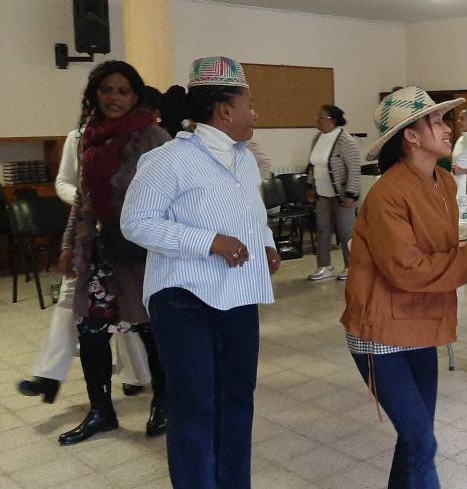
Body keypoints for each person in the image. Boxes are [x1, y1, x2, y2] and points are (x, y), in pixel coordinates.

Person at [121, 56, 281, 489]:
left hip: (239, 295)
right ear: (225, 110)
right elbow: (136, 223)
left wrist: (265, 242)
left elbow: (251, 212)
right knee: (195, 406)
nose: (255, 114)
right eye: (249, 104)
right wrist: (209, 242)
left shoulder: (245, 159)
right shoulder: (167, 160)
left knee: (237, 400)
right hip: (184, 299)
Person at [340, 86, 467, 488]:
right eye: (436, 122)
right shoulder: (387, 194)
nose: (448, 128)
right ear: (411, 136)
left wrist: (461, 253)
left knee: (414, 441)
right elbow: (408, 270)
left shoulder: (445, 183)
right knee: (422, 442)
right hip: (381, 332)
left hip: (420, 323)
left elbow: (435, 251)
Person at [55, 61, 171, 445]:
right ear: (95, 93)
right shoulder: (89, 137)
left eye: (123, 91)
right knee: (91, 331)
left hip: (141, 254)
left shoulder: (154, 137)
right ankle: (101, 411)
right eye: (107, 89)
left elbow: (173, 196)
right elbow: (82, 198)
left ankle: (165, 402)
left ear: (135, 96)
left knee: (150, 330)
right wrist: (69, 245)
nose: (114, 98)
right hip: (100, 252)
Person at [17, 126, 151, 404]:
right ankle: (48, 376)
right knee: (69, 300)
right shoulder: (77, 136)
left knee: (126, 304)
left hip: (126, 232)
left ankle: (136, 375)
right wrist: (85, 196)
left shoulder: (140, 134)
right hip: (87, 231)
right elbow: (63, 182)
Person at [307, 104, 360, 281]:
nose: (317, 120)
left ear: (332, 121)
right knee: (322, 230)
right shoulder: (317, 138)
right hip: (322, 194)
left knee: (346, 232)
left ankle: (352, 266)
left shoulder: (346, 141)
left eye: (321, 117)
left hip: (343, 195)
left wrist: (351, 194)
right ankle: (324, 266)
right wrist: (310, 187)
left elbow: (354, 169)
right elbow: (313, 165)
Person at [451, 107, 467, 197]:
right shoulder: (461, 139)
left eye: (462, 118)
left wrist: (464, 170)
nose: (458, 121)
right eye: (458, 118)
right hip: (455, 184)